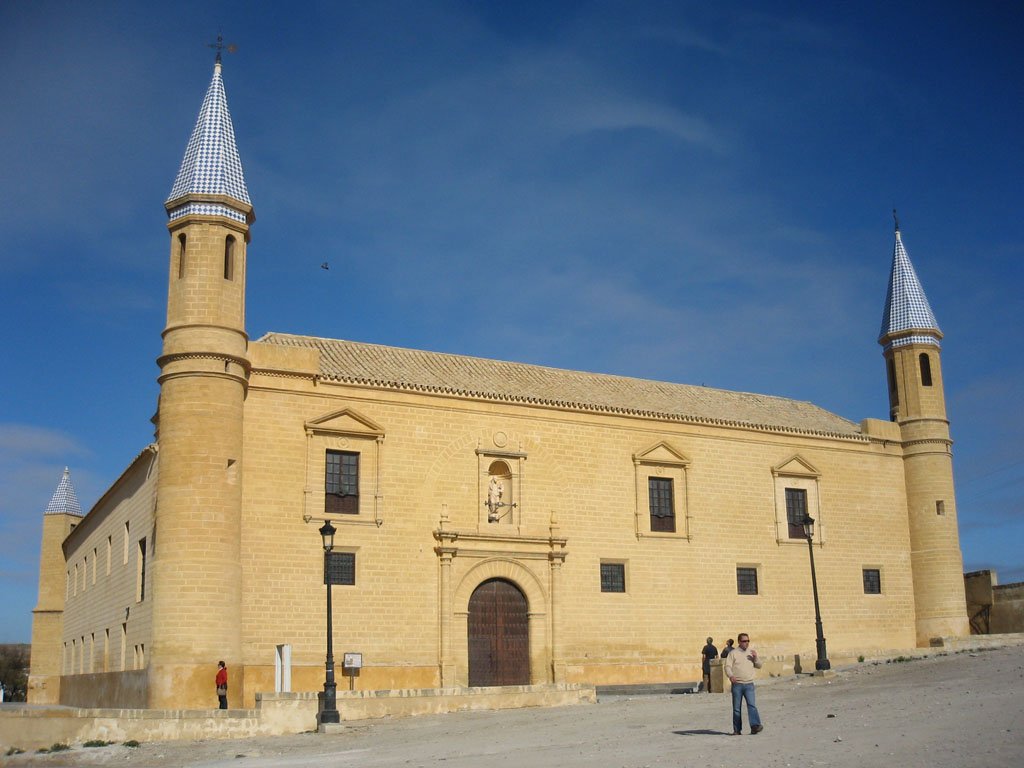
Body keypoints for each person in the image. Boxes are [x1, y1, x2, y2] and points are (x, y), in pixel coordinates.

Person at [724, 632, 763, 734]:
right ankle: (737, 730)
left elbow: (759, 666)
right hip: (737, 684)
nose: (746, 643)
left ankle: (755, 726)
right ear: (739, 642)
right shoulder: (733, 653)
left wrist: (755, 658)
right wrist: (730, 675)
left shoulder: (751, 652)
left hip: (749, 684)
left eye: (748, 641)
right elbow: (727, 666)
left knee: (752, 705)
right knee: (737, 708)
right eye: (744, 641)